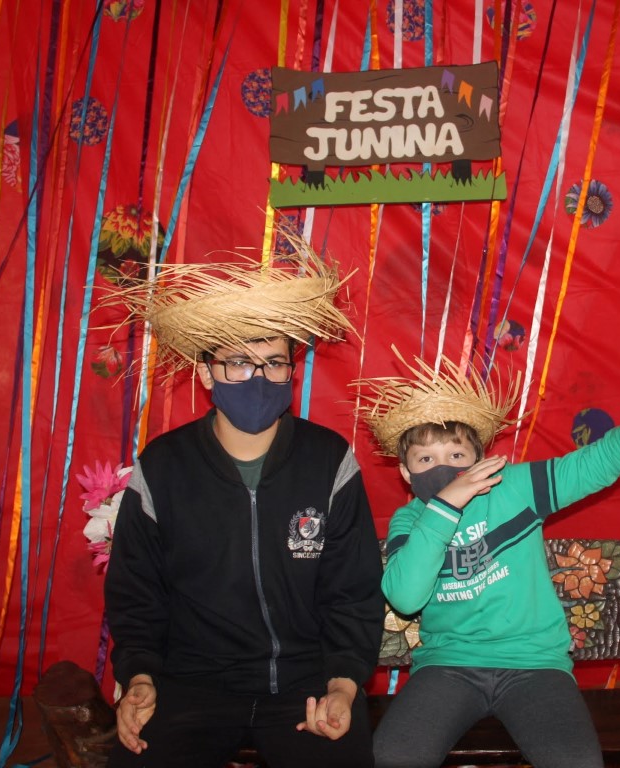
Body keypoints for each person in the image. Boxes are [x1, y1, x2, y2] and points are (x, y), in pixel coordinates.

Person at [355, 352, 620, 768]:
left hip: (535, 666)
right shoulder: (410, 521)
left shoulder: (514, 488)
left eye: (456, 456)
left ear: (479, 460)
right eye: (426, 459)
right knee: (394, 756)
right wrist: (444, 508)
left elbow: (593, 465)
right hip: (448, 666)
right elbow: (406, 598)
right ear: (406, 473)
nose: (443, 468)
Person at [104, 243, 385, 768]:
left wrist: (344, 685)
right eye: (238, 362)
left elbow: (353, 591)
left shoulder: (329, 460)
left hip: (306, 684)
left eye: (273, 363)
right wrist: (139, 676)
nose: (258, 378)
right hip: (190, 683)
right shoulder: (163, 466)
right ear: (206, 373)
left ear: (290, 372)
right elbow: (136, 593)